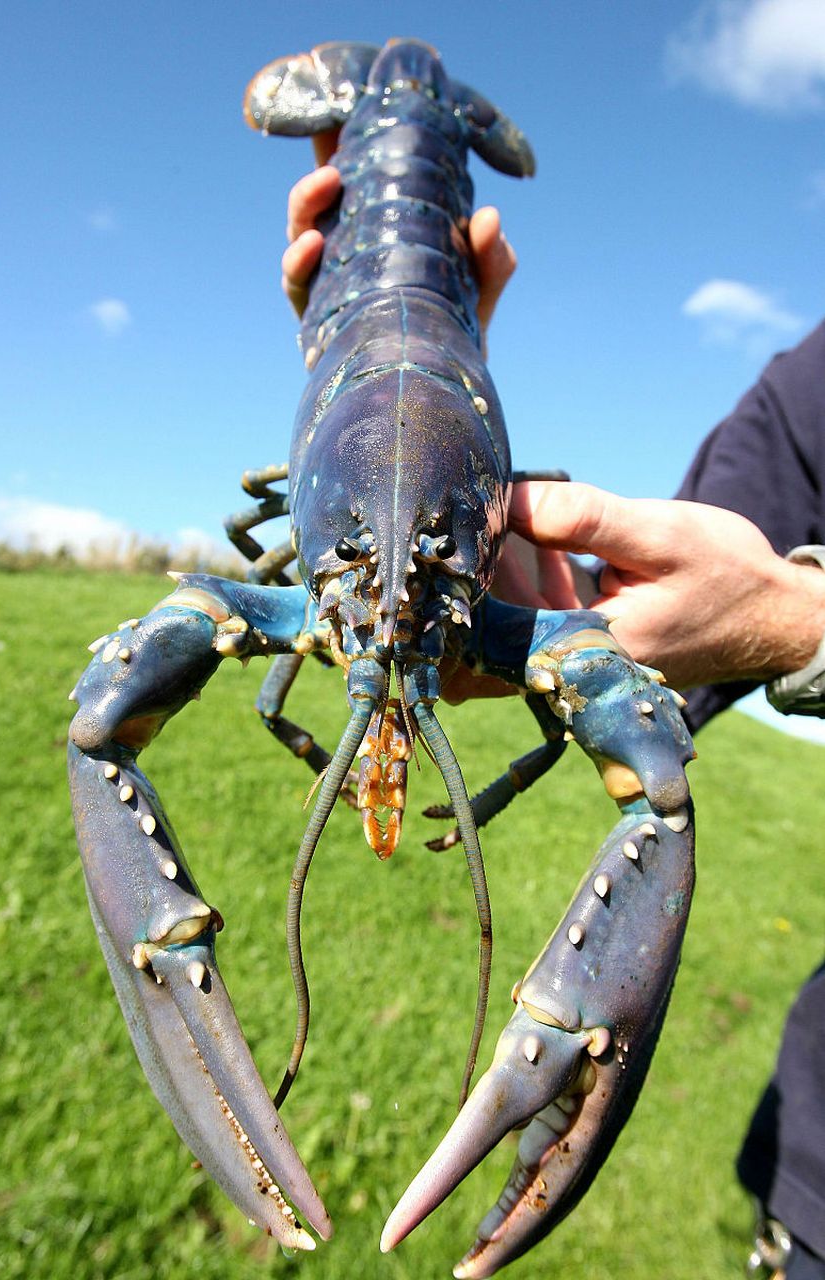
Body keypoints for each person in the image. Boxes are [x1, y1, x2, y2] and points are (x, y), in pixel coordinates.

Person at [282, 156, 825, 1278]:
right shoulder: (806, 388)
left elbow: (751, 597)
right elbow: (659, 592)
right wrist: (413, 362)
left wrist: (800, 617)